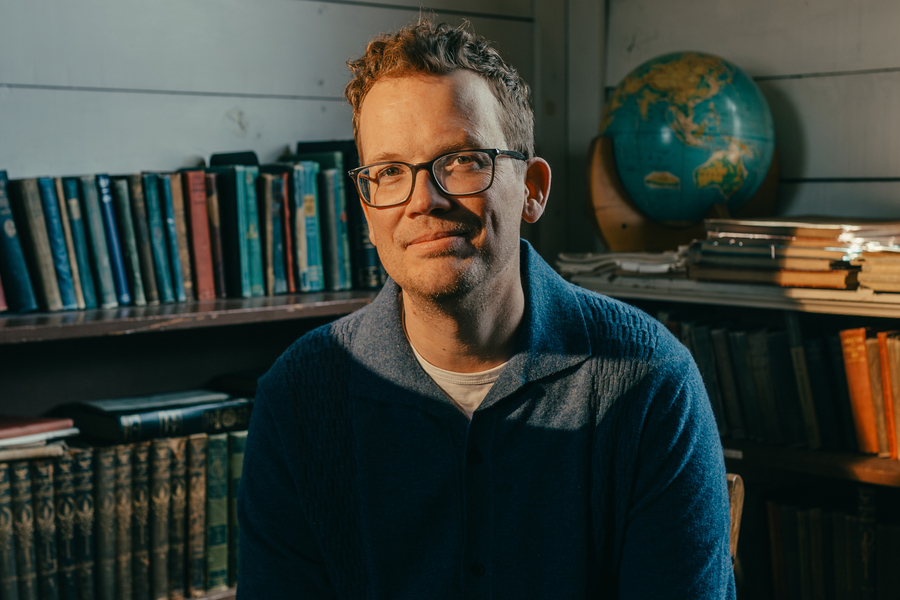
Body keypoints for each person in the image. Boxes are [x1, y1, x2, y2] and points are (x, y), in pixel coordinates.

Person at [237, 19, 735, 600]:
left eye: (463, 160)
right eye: (391, 171)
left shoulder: (649, 381)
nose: (425, 200)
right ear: (367, 210)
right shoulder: (298, 397)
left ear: (533, 189)